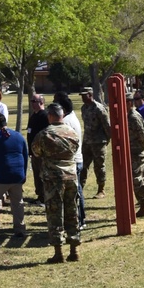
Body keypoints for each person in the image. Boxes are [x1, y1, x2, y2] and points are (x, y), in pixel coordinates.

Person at [32, 100, 81, 263]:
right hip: (71, 177)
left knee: (55, 214)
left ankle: (58, 252)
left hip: (53, 179)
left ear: (51, 116)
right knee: (71, 211)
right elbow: (75, 148)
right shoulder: (72, 132)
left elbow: (36, 151)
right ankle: (74, 250)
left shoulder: (45, 133)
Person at [0, 106, 28, 235]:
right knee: (17, 201)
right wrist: (23, 173)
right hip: (18, 174)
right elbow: (25, 155)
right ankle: (20, 228)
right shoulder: (18, 136)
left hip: (2, 174)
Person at [55, 92, 86, 228]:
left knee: (75, 193)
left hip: (73, 161)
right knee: (77, 191)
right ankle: (80, 219)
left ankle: (79, 220)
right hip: (77, 159)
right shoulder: (73, 117)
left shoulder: (66, 121)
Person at [78, 86, 111, 197]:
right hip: (87, 141)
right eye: (81, 96)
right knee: (83, 166)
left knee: (99, 166)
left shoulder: (99, 108)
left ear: (90, 95)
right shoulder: (83, 108)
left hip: (98, 142)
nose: (82, 98)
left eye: (84, 95)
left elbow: (107, 125)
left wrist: (107, 139)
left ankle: (101, 189)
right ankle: (80, 187)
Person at [26, 93, 50, 204]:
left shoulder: (45, 116)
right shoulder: (34, 116)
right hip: (34, 152)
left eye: (34, 101)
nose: (32, 104)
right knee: (36, 174)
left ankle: (45, 197)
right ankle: (40, 196)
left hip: (42, 153)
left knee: (42, 175)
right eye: (31, 101)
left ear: (41, 102)